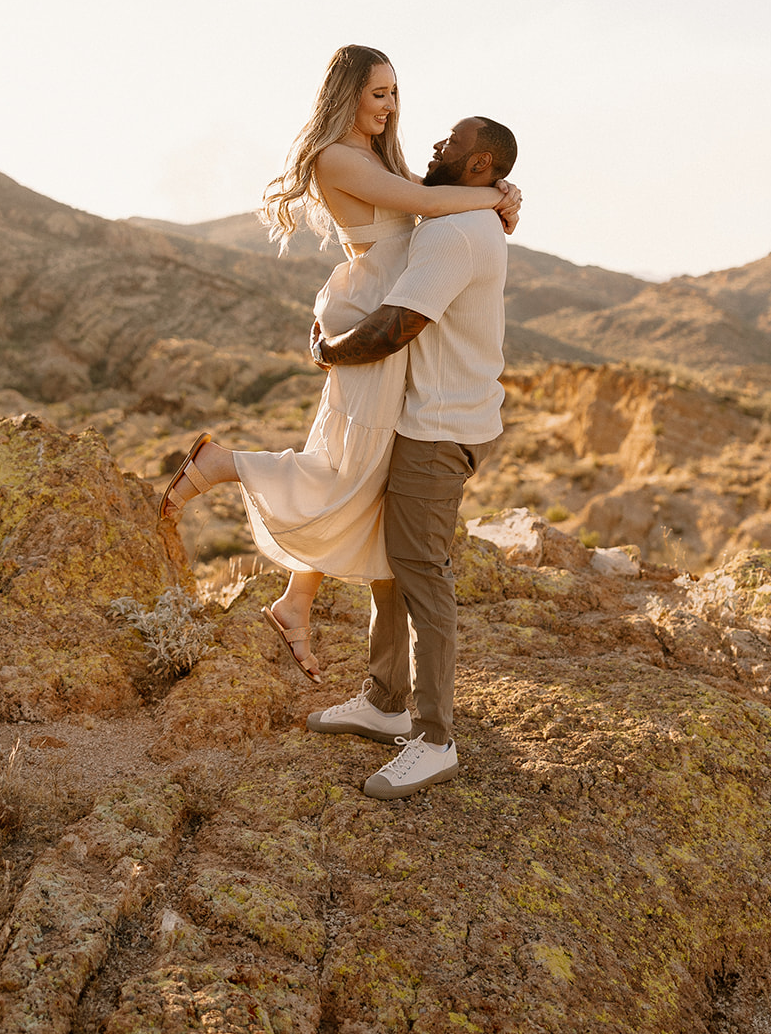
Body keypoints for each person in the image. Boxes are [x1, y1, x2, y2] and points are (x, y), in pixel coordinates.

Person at [156, 44, 520, 683]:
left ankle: (295, 603)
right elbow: (432, 206)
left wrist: (501, 195)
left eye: (394, 93)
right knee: (347, 465)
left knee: (366, 469)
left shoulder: (379, 157)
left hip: (389, 306)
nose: (389, 105)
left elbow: (435, 201)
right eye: (377, 93)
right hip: (373, 313)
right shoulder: (337, 159)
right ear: (347, 93)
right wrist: (497, 194)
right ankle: (223, 465)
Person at [305, 113, 517, 799]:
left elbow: (397, 326)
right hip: (430, 415)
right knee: (392, 563)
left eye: (451, 144)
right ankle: (384, 699)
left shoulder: (455, 233)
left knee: (420, 570)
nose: (434, 146)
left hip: (439, 427)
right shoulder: (463, 218)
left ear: (480, 165)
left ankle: (433, 738)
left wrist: (326, 352)